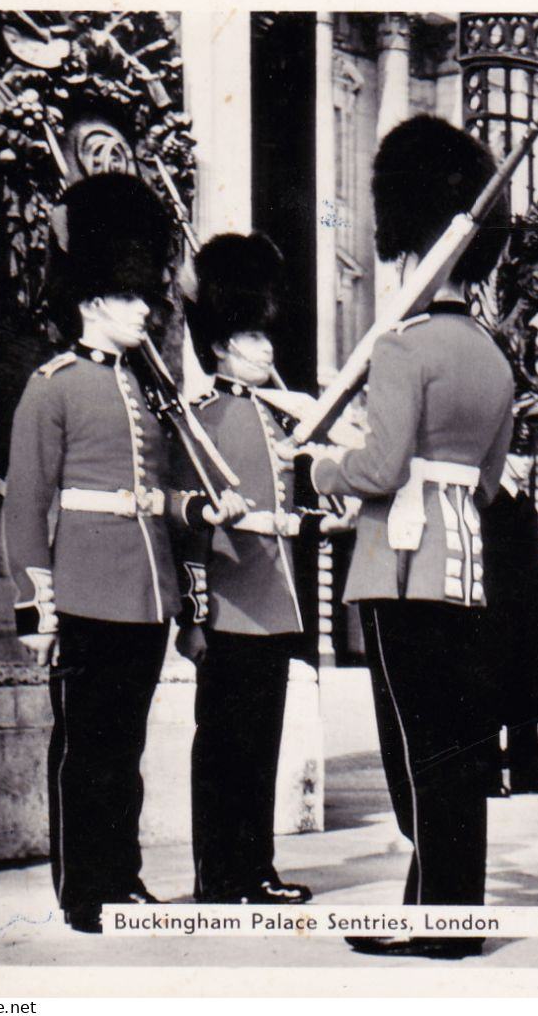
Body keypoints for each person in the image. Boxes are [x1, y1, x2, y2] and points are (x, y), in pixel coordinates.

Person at [3, 174, 245, 933]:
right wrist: (37, 606)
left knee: (127, 750)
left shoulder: (147, 392)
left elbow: (157, 491)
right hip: (84, 591)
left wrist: (196, 511)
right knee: (89, 753)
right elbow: (25, 507)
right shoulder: (53, 387)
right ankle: (85, 891)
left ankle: (124, 879)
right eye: (132, 295)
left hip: (144, 591)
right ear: (94, 300)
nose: (148, 307)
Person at [306, 116, 515, 960]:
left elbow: (382, 467)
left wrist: (324, 467)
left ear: (408, 250)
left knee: (416, 750)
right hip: (463, 565)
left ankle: (436, 921)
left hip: (398, 569)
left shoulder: (401, 348)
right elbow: (491, 482)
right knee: (456, 745)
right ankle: (440, 906)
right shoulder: (493, 357)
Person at [177, 232, 349, 906]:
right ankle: (219, 874)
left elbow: (294, 508)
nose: (265, 348)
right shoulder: (201, 421)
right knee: (224, 750)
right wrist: (193, 614)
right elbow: (189, 531)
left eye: (263, 335)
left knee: (261, 747)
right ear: (220, 345)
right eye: (249, 337)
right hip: (228, 602)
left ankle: (256, 866)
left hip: (274, 601)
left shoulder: (282, 420)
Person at [482, 454, 538, 797]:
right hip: (496, 609)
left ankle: (528, 773)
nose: (527, 462)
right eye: (519, 453)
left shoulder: (524, 500)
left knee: (527, 693)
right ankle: (486, 776)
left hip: (525, 613)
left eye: (530, 455)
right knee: (489, 695)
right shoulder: (487, 497)